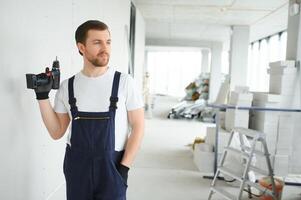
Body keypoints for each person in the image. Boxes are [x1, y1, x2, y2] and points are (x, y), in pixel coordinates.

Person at [34, 20, 144, 200]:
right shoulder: (67, 86)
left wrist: (124, 168)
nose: (105, 48)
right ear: (81, 47)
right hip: (77, 168)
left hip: (112, 167)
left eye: (108, 42)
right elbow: (56, 131)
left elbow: (138, 127)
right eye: (97, 42)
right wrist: (42, 97)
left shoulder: (124, 83)